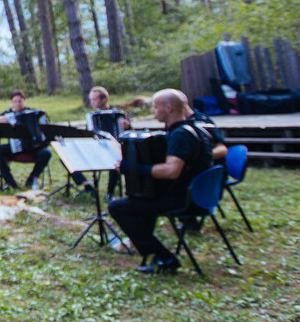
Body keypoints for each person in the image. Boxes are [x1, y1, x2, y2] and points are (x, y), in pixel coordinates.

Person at [108, 89, 217, 275]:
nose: (153, 112)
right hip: (195, 194)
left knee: (118, 207)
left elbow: (171, 171)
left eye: (156, 107)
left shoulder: (180, 135)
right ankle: (153, 254)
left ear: (169, 108)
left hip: (183, 200)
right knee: (140, 198)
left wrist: (133, 169)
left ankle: (163, 256)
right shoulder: (194, 128)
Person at [72, 86, 133, 194]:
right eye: (91, 100)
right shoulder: (92, 116)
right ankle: (86, 185)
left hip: (115, 149)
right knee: (67, 158)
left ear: (104, 99)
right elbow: (89, 134)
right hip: (96, 148)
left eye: (94, 99)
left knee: (116, 160)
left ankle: (110, 192)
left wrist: (127, 126)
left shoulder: (119, 114)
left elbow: (129, 134)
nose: (92, 103)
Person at [0, 90, 51, 190]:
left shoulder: (35, 113)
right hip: (15, 146)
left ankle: (31, 180)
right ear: (11, 102)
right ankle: (10, 181)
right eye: (15, 101)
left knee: (46, 153)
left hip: (34, 147)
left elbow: (46, 131)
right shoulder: (7, 114)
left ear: (24, 101)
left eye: (20, 101)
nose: (17, 104)